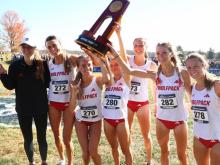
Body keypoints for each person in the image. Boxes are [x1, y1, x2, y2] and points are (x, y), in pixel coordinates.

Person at [108, 42, 191, 165]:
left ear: (171, 54)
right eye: (158, 53)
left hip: (179, 120)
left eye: (164, 52)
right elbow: (130, 71)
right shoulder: (155, 75)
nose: (160, 56)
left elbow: (192, 94)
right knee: (164, 152)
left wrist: (191, 103)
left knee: (181, 155)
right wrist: (114, 53)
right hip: (162, 120)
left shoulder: (182, 73)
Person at [0, 37, 50, 165]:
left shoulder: (43, 64)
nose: (26, 49)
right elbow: (10, 85)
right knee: (28, 138)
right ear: (21, 48)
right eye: (24, 47)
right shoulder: (15, 66)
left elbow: (50, 83)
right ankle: (31, 162)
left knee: (41, 137)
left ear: (34, 48)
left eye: (29, 47)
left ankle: (44, 161)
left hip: (40, 107)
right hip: (23, 108)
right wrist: (3, 74)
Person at [70, 54, 111, 165]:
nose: (87, 68)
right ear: (78, 68)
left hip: (96, 120)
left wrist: (100, 62)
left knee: (93, 151)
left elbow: (107, 78)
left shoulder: (96, 80)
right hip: (81, 120)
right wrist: (74, 94)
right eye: (83, 66)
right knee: (85, 152)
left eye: (89, 65)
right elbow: (72, 107)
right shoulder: (75, 84)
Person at [102, 24, 132, 165]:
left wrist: (119, 35)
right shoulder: (108, 79)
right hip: (107, 119)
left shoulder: (126, 79)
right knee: (113, 148)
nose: (114, 67)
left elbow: (124, 59)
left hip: (120, 119)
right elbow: (102, 60)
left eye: (117, 64)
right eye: (112, 65)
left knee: (126, 149)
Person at [45, 35, 77, 165]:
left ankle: (70, 163)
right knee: (56, 135)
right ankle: (62, 159)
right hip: (53, 103)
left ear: (60, 44)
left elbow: (88, 63)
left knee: (67, 138)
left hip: (69, 104)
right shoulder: (48, 63)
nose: (52, 48)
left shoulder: (71, 59)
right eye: (49, 47)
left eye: (54, 45)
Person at [185, 53, 220, 165]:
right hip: (199, 137)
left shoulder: (216, 85)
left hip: (217, 138)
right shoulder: (192, 88)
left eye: (196, 66)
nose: (192, 70)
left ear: (204, 65)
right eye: (189, 67)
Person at [127, 37, 157, 164]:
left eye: (141, 45)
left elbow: (155, 87)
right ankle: (129, 159)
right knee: (127, 134)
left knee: (146, 135)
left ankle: (149, 161)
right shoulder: (127, 60)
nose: (138, 48)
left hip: (142, 104)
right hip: (127, 103)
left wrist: (156, 105)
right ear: (133, 47)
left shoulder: (151, 65)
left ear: (145, 47)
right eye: (136, 45)